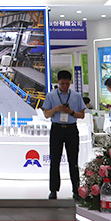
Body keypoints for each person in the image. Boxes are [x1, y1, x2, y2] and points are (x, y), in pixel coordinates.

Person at [42, 70, 86, 201]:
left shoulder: (76, 96)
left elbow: (81, 115)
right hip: (57, 129)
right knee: (54, 161)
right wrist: (56, 109)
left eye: (67, 84)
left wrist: (70, 112)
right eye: (62, 84)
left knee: (73, 161)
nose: (65, 86)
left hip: (71, 130)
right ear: (58, 82)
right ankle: (53, 190)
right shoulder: (51, 95)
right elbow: (46, 114)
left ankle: (76, 190)